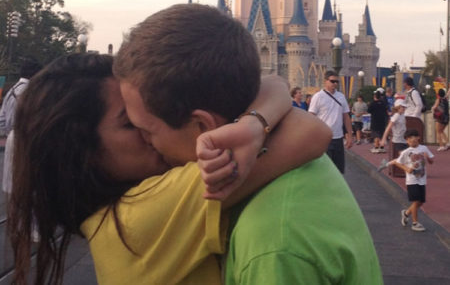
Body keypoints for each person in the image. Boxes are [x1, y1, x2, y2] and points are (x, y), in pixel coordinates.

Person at [115, 4, 382, 284]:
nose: (143, 143)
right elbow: (285, 97)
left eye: (146, 131)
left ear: (203, 126)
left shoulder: (273, 245)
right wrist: (257, 122)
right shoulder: (285, 159)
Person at [9, 54, 329, 285]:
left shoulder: (106, 223)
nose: (154, 124)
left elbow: (273, 81)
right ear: (83, 154)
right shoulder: (139, 217)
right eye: (131, 123)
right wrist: (254, 125)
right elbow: (309, 132)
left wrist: (254, 121)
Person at [0, 57, 41, 194]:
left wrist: (8, 133)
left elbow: (2, 118)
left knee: (12, 183)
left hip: (12, 137)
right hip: (24, 138)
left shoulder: (12, 90)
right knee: (24, 184)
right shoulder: (29, 91)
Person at [308, 70, 353, 173]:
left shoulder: (341, 96)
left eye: (337, 82)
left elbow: (346, 117)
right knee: (325, 171)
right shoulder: (318, 97)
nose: (335, 84)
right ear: (325, 81)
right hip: (323, 138)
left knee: (338, 170)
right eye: (332, 81)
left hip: (338, 138)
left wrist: (350, 136)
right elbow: (311, 117)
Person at [392, 129, 434, 232]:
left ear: (418, 137)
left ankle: (406, 213)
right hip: (412, 180)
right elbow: (397, 162)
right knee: (416, 201)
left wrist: (428, 157)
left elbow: (431, 161)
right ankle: (415, 223)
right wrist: (407, 169)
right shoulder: (406, 152)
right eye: (409, 138)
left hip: (422, 179)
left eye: (414, 137)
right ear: (406, 141)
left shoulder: (424, 148)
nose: (412, 139)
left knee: (421, 202)